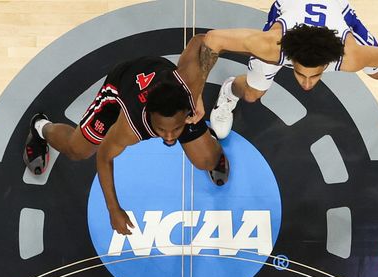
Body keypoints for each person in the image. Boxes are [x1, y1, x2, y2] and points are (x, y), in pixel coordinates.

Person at [20, 41, 229, 237]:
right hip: (120, 87)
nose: (169, 137)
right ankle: (40, 128)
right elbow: (104, 156)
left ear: (186, 112)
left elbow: (204, 40)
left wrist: (199, 90)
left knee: (207, 161)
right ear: (150, 119)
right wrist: (113, 209)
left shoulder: (189, 86)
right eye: (161, 130)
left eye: (176, 129)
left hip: (167, 87)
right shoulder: (131, 126)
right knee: (78, 150)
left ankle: (204, 138)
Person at [188, 2, 378, 138]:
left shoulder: (349, 56)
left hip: (335, 10)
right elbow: (211, 40)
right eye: (301, 74)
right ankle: (230, 92)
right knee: (252, 93)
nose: (305, 84)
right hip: (290, 10)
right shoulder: (271, 46)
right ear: (290, 58)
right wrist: (196, 94)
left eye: (314, 76)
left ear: (328, 64)